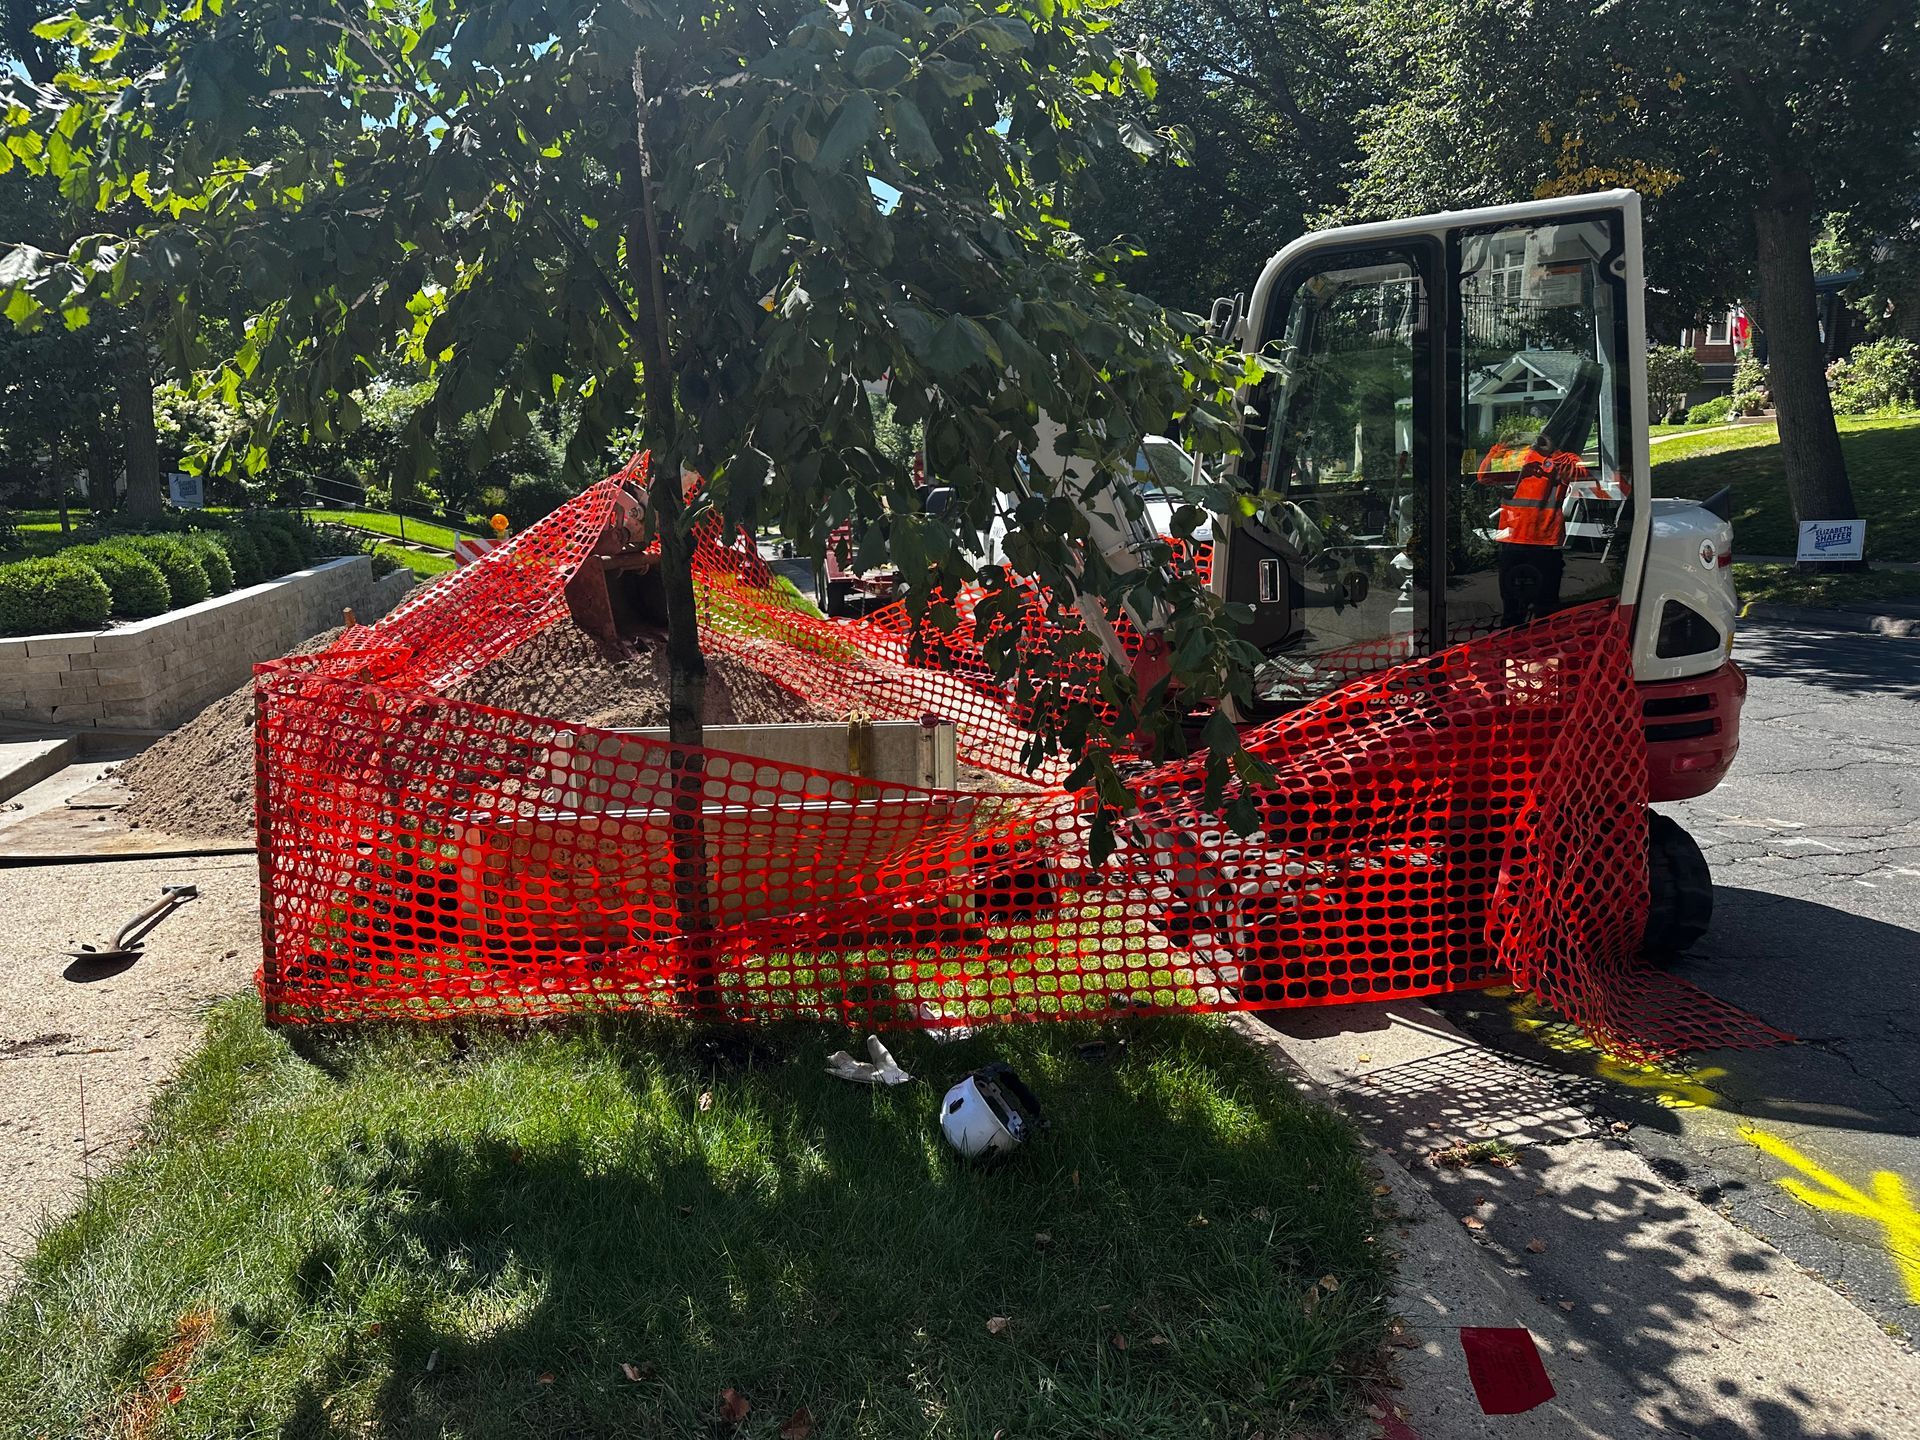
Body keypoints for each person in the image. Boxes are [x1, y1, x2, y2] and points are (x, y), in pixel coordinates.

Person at [1476, 432, 1587, 627]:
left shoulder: (1562, 457)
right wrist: (1500, 447)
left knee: (1545, 610)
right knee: (1511, 609)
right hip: (1513, 540)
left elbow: (1580, 475)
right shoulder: (1514, 455)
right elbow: (1483, 476)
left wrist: (1553, 452)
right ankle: (1509, 650)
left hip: (1544, 542)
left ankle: (1540, 650)